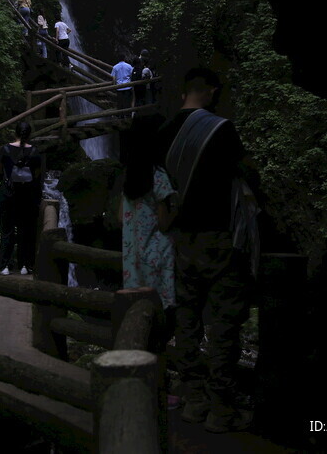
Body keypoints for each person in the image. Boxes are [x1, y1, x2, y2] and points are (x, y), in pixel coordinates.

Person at [155, 67, 260, 434]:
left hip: (181, 240)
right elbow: (248, 176)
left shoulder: (164, 133)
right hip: (220, 239)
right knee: (224, 324)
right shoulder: (221, 129)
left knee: (187, 320)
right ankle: (221, 408)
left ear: (184, 91)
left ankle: (193, 399)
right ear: (212, 92)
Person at [119, 117, 178, 308]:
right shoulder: (158, 175)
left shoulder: (129, 178)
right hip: (157, 255)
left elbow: (120, 217)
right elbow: (163, 223)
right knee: (159, 306)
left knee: (138, 307)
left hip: (132, 258)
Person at [0, 122, 43, 275]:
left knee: (7, 232)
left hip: (8, 196)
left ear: (15, 133)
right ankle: (25, 266)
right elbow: (37, 175)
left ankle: (4, 266)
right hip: (27, 197)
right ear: (29, 135)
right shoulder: (34, 151)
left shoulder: (6, 149)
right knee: (26, 232)